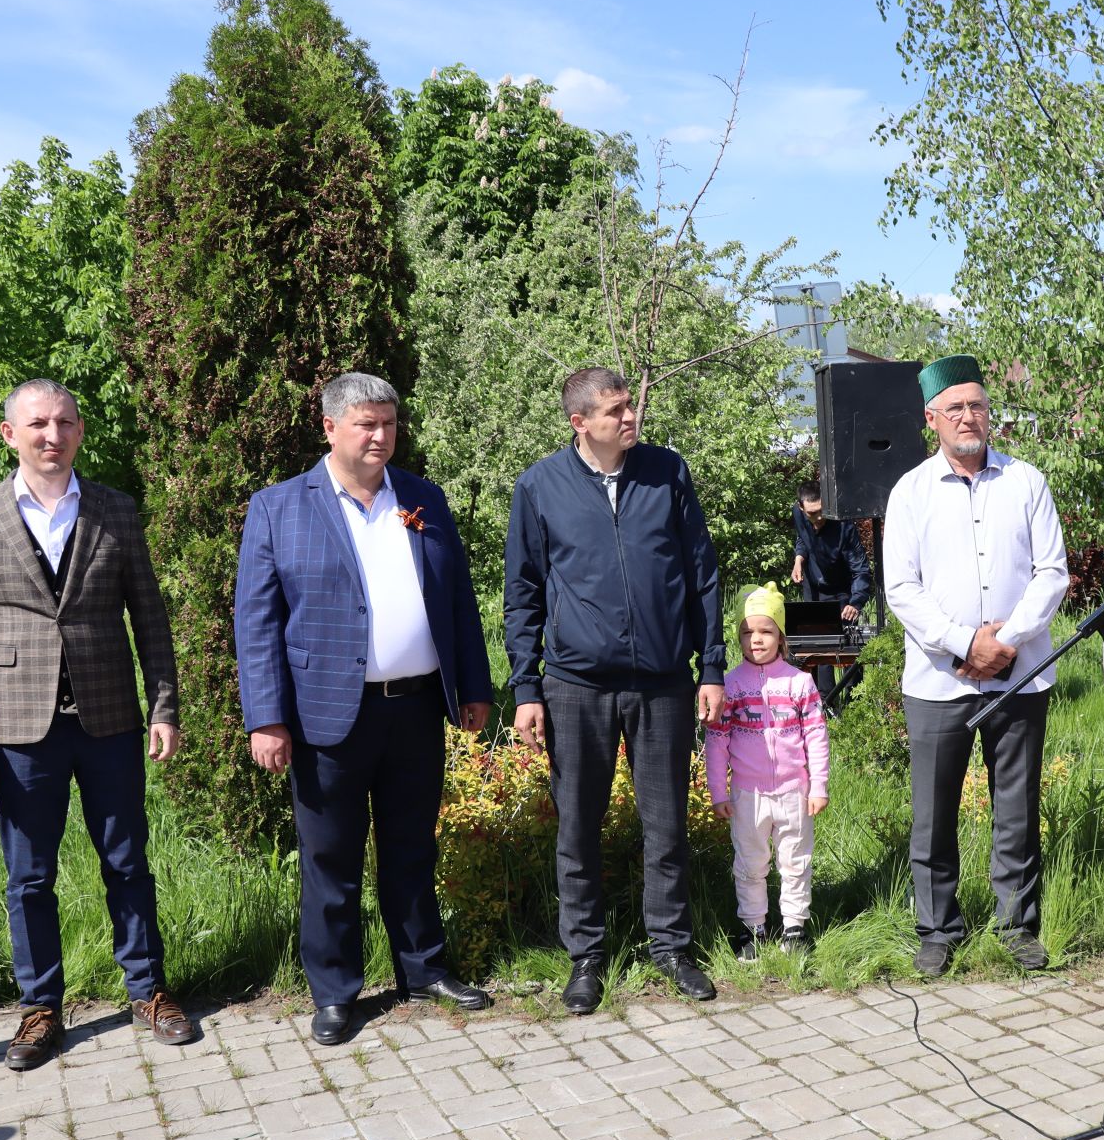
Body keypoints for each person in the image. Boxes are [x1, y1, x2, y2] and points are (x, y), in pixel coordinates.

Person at [0, 378, 191, 1070]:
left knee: (128, 862)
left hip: (109, 719)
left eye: (66, 423)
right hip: (18, 730)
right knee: (29, 877)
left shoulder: (115, 510)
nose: (54, 435)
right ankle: (39, 1008)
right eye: (39, 424)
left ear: (81, 432)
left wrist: (163, 706)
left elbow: (151, 621)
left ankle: (148, 990)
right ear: (9, 433)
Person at [235, 372, 494, 1047]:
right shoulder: (278, 507)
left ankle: (423, 969)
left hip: (414, 710)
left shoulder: (424, 499)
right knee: (331, 860)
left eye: (388, 423)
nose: (380, 436)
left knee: (412, 849)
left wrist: (473, 686)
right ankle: (334, 991)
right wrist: (266, 717)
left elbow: (457, 601)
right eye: (365, 425)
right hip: (326, 718)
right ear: (329, 428)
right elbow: (256, 624)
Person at [504, 367, 728, 1014]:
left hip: (662, 683)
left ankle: (672, 948)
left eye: (630, 407)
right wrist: (526, 688)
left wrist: (711, 668)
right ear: (579, 423)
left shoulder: (667, 472)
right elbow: (522, 595)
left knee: (667, 826)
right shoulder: (540, 486)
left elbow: (702, 576)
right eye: (615, 411)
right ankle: (587, 957)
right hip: (575, 686)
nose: (630, 418)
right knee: (578, 827)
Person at [882, 354, 1069, 978]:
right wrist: (966, 644)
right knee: (932, 813)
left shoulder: (1027, 482)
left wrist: (1005, 642)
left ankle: (1018, 926)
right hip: (939, 682)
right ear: (931, 418)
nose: (968, 416)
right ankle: (937, 930)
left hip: (1019, 674)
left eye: (977, 405)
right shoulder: (909, 492)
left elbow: (1052, 574)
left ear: (991, 413)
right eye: (955, 407)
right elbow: (901, 589)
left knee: (1015, 805)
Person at [705, 583, 831, 959]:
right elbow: (716, 742)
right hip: (748, 795)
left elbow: (816, 736)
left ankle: (794, 927)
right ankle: (753, 928)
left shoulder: (800, 682)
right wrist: (718, 792)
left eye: (765, 631)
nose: (756, 639)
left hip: (795, 792)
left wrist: (818, 786)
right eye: (747, 632)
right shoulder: (729, 684)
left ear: (781, 635)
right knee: (750, 862)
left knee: (795, 861)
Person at [790, 481, 874, 695]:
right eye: (811, 513)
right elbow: (802, 538)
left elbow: (861, 570)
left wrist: (856, 602)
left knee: (848, 646)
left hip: (842, 590)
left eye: (821, 511)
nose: (817, 518)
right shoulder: (799, 515)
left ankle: (853, 700)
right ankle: (824, 700)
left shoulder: (844, 526)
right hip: (814, 587)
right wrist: (799, 559)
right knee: (816, 645)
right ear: (801, 508)